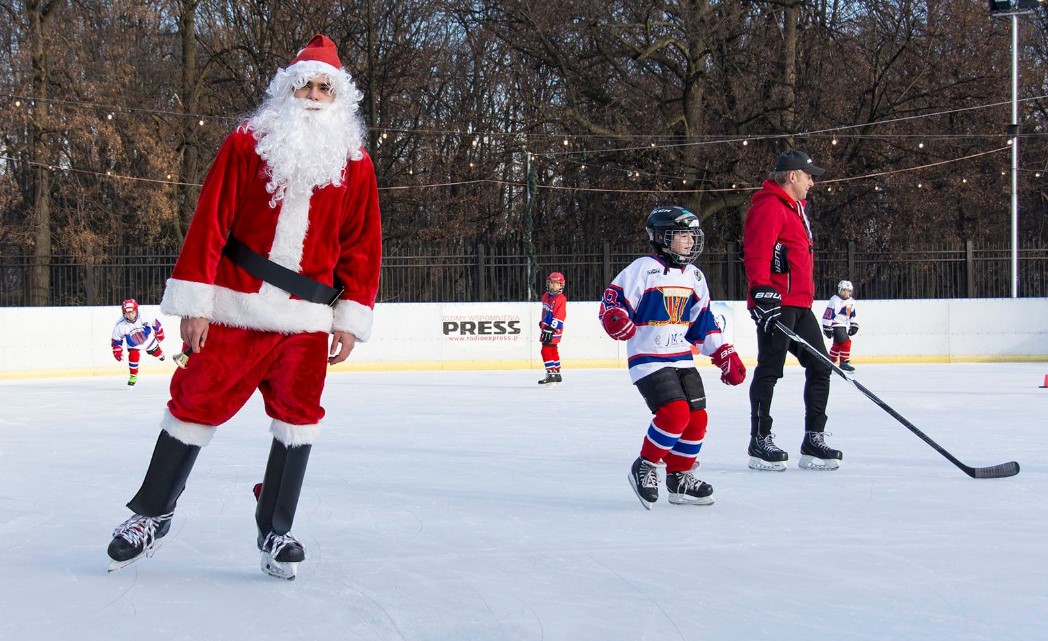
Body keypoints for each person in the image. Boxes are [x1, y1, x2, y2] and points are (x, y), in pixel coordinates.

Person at [106, 35, 382, 580]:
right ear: (287, 87)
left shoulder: (356, 164)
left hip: (306, 321)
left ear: (339, 98)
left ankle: (275, 529)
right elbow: (211, 220)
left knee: (298, 423)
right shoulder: (246, 143)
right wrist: (196, 302)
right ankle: (151, 513)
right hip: (233, 309)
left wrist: (350, 315)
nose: (314, 94)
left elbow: (362, 244)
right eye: (305, 83)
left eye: (325, 86)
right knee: (192, 404)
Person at [600, 205, 746, 509]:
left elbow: (702, 323)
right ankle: (645, 465)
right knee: (674, 414)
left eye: (692, 235)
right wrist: (615, 317)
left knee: (697, 420)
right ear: (663, 238)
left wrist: (723, 353)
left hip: (681, 358)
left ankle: (679, 478)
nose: (690, 241)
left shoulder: (695, 277)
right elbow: (612, 301)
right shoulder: (643, 269)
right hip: (648, 359)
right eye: (683, 235)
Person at [743, 150, 842, 472]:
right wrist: (760, 290)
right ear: (792, 176)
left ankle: (813, 438)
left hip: (800, 302)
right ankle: (760, 439)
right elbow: (757, 250)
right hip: (777, 303)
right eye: (809, 175)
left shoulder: (797, 209)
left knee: (821, 366)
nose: (812, 182)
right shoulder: (770, 207)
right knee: (770, 369)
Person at [111, 298, 166, 386]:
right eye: (127, 313)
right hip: (133, 343)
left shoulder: (146, 316)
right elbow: (116, 340)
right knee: (133, 355)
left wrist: (160, 334)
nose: (130, 315)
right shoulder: (120, 325)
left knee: (155, 353)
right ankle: (133, 375)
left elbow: (156, 324)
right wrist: (117, 351)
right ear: (123, 312)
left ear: (136, 310)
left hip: (148, 340)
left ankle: (160, 354)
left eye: (132, 312)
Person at [822, 279, 859, 372]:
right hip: (836, 325)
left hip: (843, 325)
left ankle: (830, 361)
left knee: (837, 344)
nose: (846, 293)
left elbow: (852, 314)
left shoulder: (851, 301)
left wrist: (853, 324)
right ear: (839, 290)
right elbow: (828, 314)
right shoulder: (835, 300)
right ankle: (844, 362)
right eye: (844, 290)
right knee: (846, 342)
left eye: (848, 291)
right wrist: (827, 327)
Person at [537, 271, 567, 385]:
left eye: (557, 283)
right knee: (553, 348)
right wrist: (543, 323)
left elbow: (560, 315)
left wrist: (551, 328)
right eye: (551, 283)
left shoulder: (560, 298)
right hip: (547, 327)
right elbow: (547, 312)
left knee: (545, 349)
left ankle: (551, 373)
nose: (554, 285)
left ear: (561, 285)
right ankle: (557, 373)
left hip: (553, 329)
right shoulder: (545, 296)